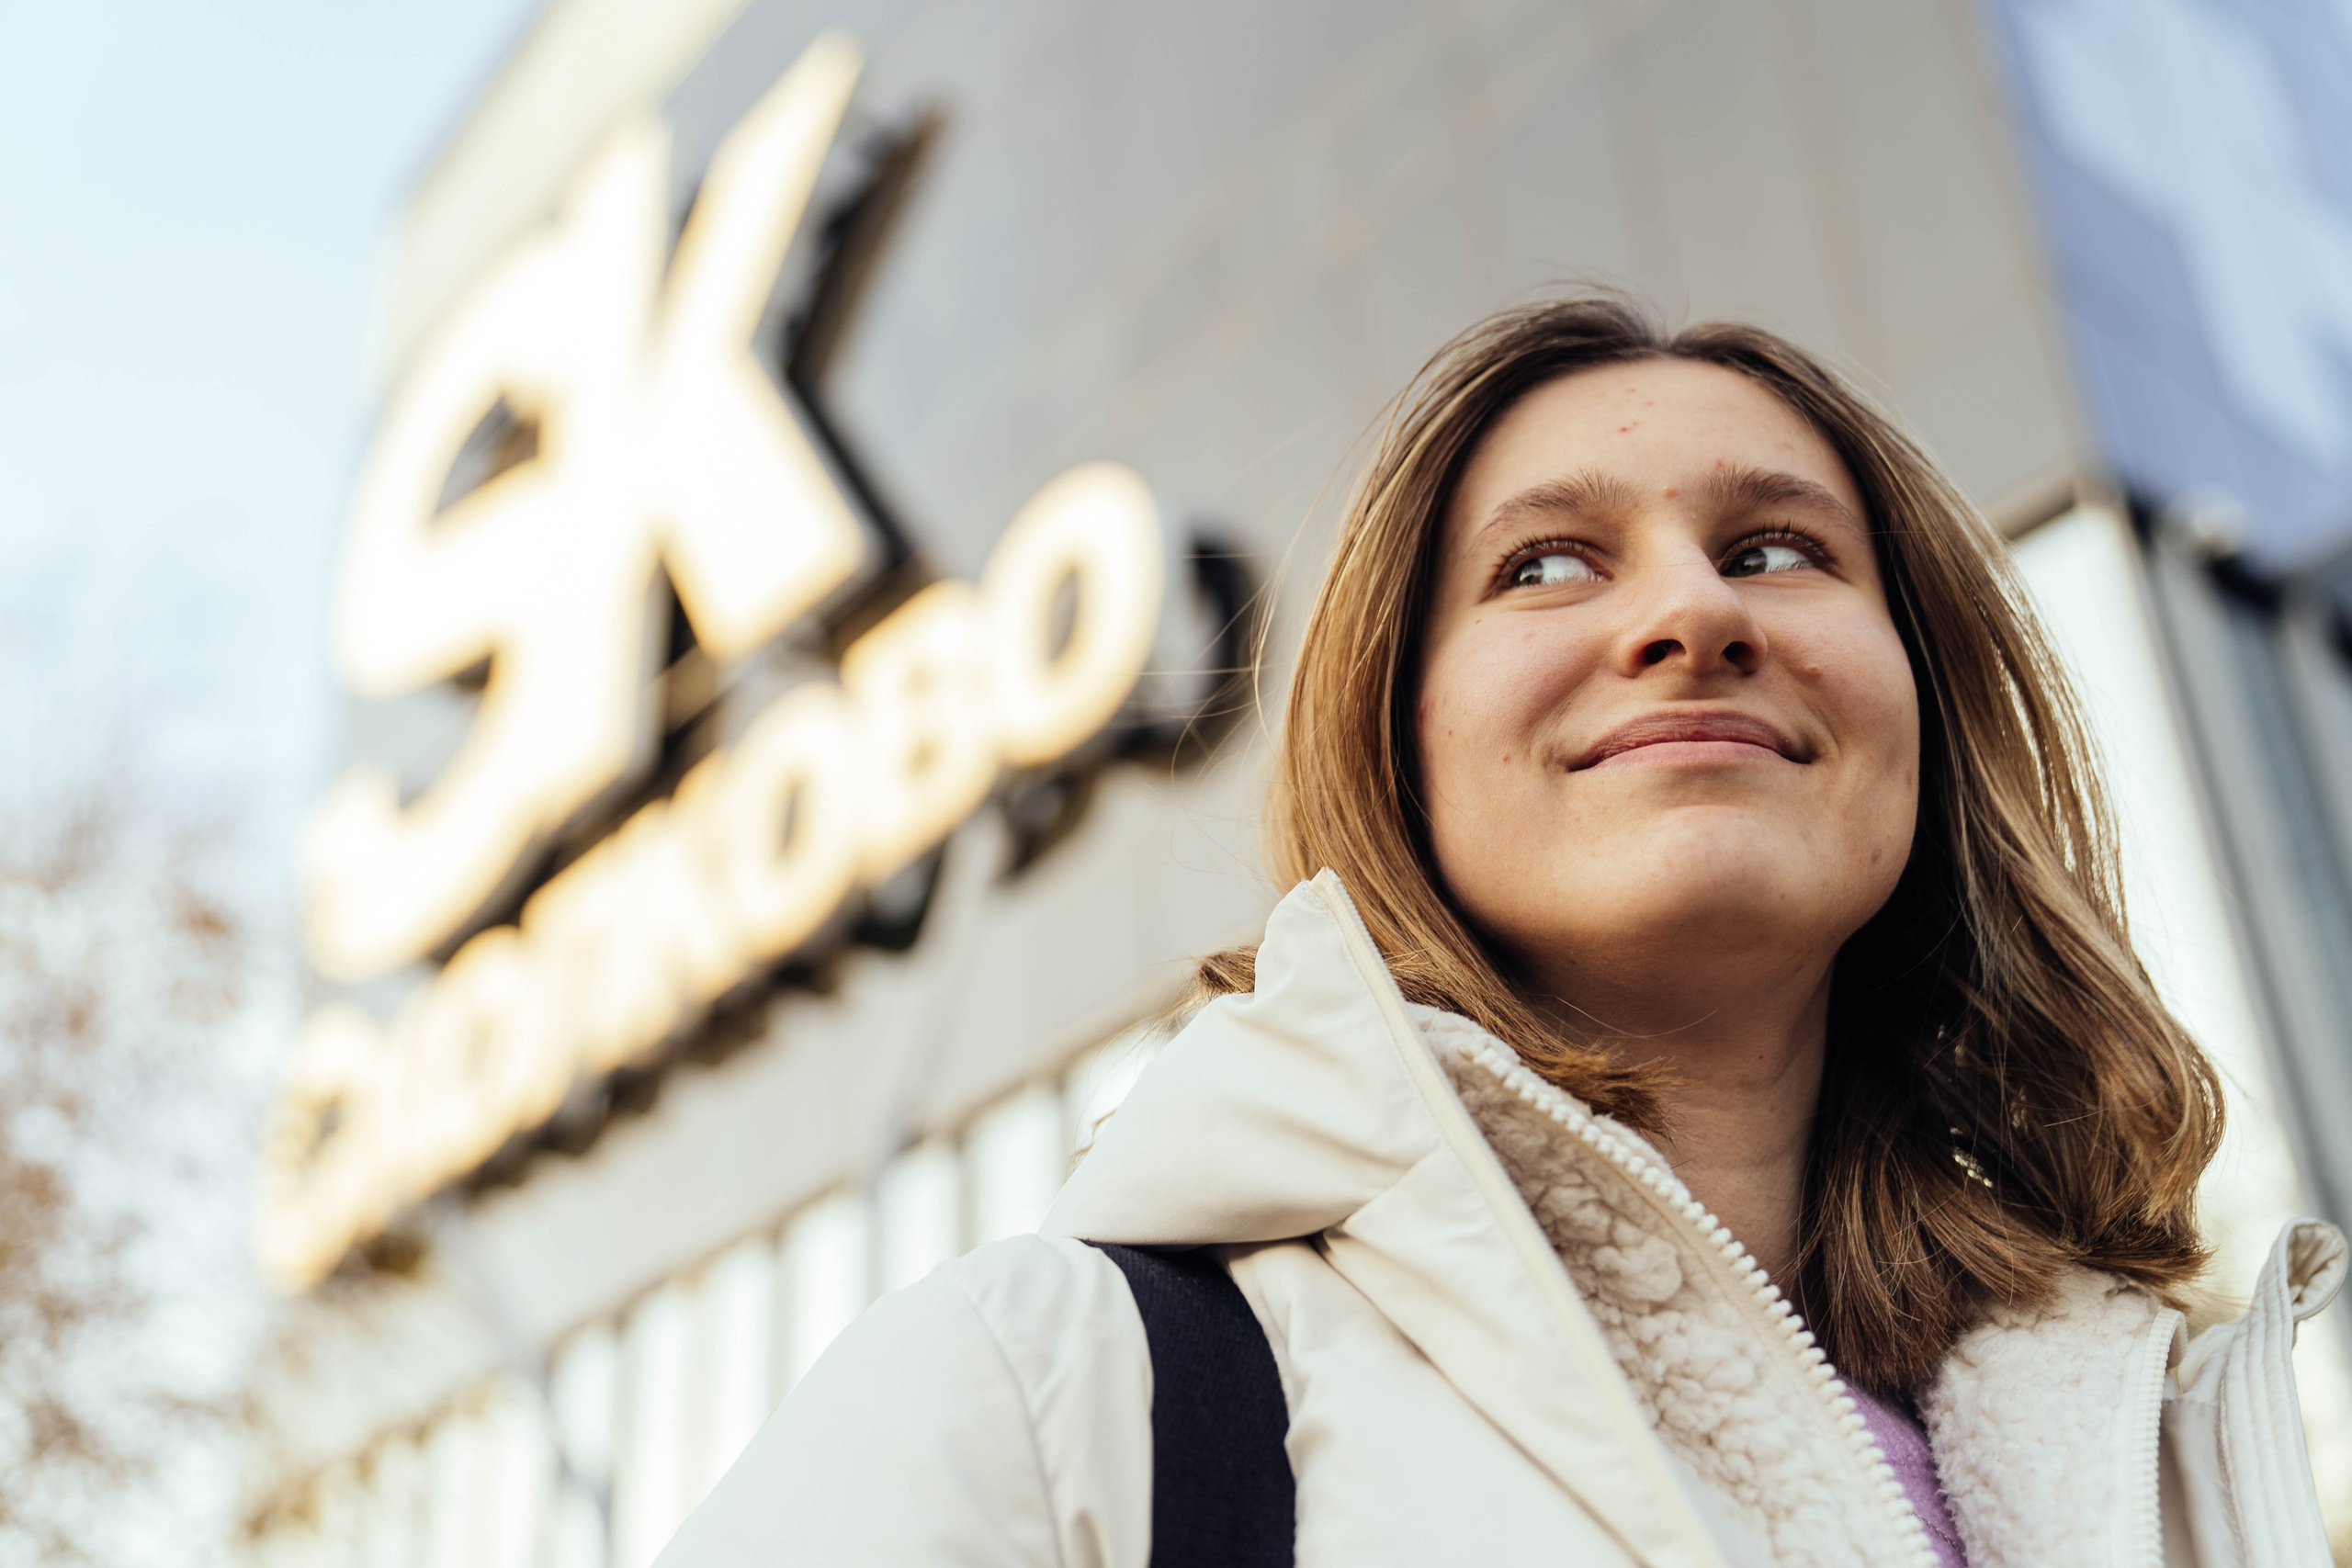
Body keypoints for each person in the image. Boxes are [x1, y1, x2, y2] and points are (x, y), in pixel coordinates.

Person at [657, 294, 2345, 1566]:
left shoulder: (2186, 1453)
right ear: (1395, 737)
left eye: (1776, 550)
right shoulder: (1058, 1392)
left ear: (1922, 707)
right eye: (1545, 567)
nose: (1692, 613)